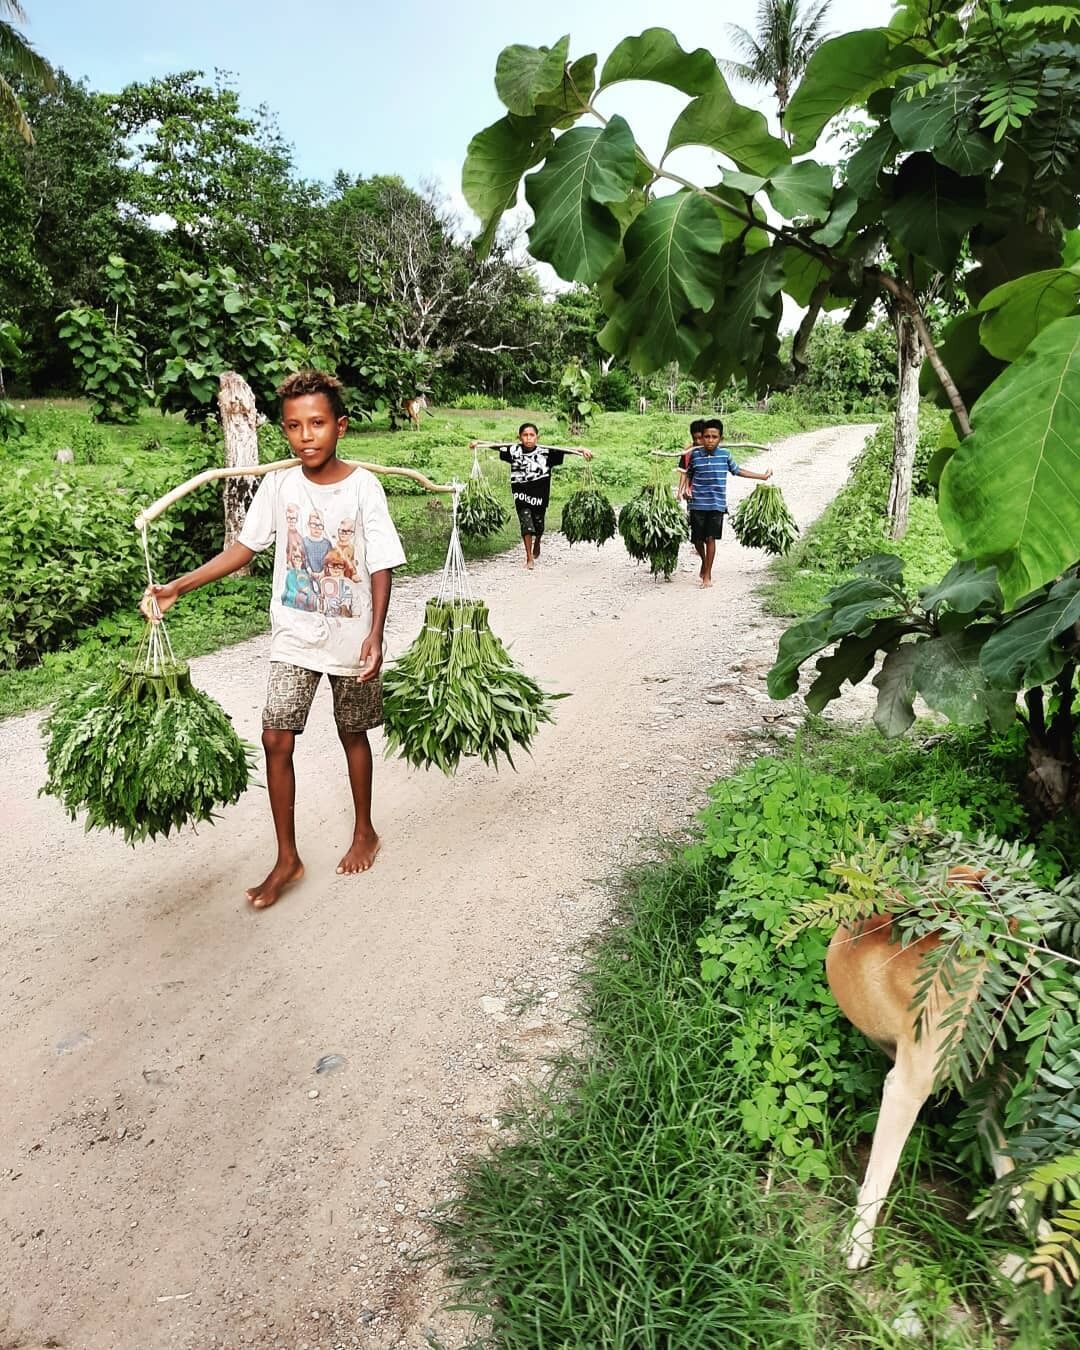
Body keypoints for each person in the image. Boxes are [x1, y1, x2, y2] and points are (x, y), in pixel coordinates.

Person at [140, 369, 406, 910]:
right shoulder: (280, 485)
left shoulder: (363, 487)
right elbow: (244, 548)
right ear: (283, 431)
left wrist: (376, 633)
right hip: (293, 636)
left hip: (352, 637)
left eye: (317, 424)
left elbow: (380, 564)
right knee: (275, 738)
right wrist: (179, 587)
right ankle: (287, 856)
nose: (306, 436)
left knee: (353, 735)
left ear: (340, 426)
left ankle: (365, 831)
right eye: (293, 426)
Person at [469, 424, 593, 569]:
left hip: (540, 495)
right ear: (519, 437)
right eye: (525, 435)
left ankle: (538, 540)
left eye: (531, 435)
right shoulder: (514, 450)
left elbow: (565, 451)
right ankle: (529, 558)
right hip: (521, 494)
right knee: (526, 523)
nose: (528, 438)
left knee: (538, 525)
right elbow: (497, 446)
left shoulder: (546, 453)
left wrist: (582, 449)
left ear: (537, 437)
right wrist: (479, 443)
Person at [682, 418, 772, 588]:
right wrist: (687, 489)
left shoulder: (725, 455)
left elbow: (738, 471)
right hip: (697, 503)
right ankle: (704, 561)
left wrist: (762, 476)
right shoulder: (695, 455)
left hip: (717, 504)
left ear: (720, 439)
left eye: (714, 437)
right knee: (696, 540)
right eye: (706, 436)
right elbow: (689, 474)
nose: (710, 440)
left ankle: (707, 575)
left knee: (711, 538)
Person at [676, 419, 707, 567]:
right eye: (695, 438)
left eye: (701, 437)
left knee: (707, 526)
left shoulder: (711, 450)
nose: (698, 441)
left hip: (708, 493)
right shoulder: (687, 452)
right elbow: (683, 473)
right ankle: (699, 543)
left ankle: (706, 543)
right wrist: (680, 490)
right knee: (695, 521)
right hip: (692, 494)